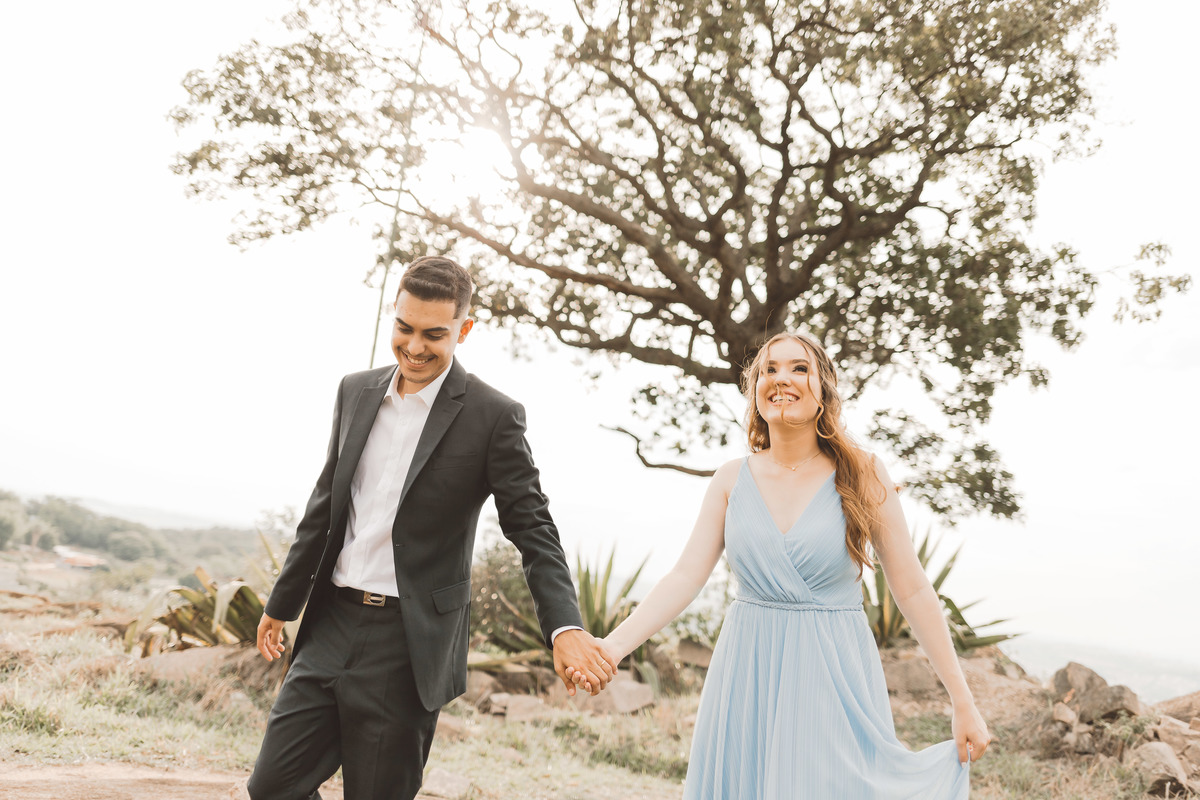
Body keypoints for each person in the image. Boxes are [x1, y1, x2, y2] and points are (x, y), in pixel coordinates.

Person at [246, 256, 616, 800]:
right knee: (272, 787)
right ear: (393, 317)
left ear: (463, 330)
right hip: (330, 624)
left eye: (434, 334)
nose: (415, 346)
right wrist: (283, 603)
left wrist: (564, 627)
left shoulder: (493, 416)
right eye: (405, 328)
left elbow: (534, 529)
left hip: (408, 644)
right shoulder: (355, 391)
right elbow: (324, 507)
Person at [568, 331, 992, 798]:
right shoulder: (731, 479)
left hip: (832, 677)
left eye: (798, 368)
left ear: (823, 392)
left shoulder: (864, 473)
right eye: (768, 369)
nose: (780, 378)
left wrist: (962, 700)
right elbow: (685, 577)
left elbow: (911, 590)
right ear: (754, 392)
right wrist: (611, 648)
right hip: (746, 674)